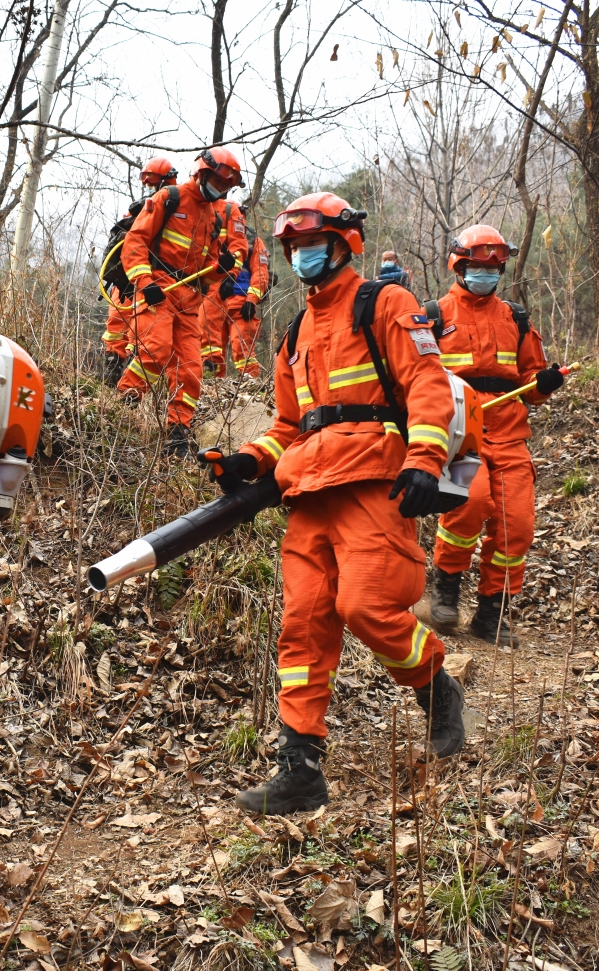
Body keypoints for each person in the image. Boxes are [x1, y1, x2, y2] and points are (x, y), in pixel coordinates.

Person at [199, 192, 468, 816]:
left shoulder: (385, 303)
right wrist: (250, 459)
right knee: (304, 624)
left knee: (368, 606)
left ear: (345, 244)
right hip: (307, 491)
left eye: (312, 245)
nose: (302, 256)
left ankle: (437, 688)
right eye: (293, 248)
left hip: (375, 478)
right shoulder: (293, 334)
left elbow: (427, 385)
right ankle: (300, 765)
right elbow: (290, 422)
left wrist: (425, 460)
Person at [426, 224, 565, 647]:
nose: (486, 273)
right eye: (478, 266)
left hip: (510, 435)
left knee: (517, 526)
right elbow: (416, 378)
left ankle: (493, 612)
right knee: (469, 507)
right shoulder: (433, 315)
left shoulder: (515, 317)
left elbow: (531, 384)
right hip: (460, 433)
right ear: (459, 265)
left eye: (493, 267)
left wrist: (545, 382)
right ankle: (446, 586)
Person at [118, 147, 248, 455]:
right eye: (219, 181)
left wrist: (224, 267)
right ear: (202, 172)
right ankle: (126, 402)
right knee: (157, 348)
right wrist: (144, 281)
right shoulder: (169, 198)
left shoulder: (213, 215)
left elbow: (206, 272)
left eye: (227, 185)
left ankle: (179, 429)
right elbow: (135, 241)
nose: (223, 189)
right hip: (159, 289)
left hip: (190, 301)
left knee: (191, 368)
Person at [100, 158, 179, 382]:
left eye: (152, 182)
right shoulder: (138, 210)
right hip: (127, 276)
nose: (149, 188)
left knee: (143, 329)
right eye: (146, 183)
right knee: (116, 320)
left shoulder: (175, 211)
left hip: (155, 279)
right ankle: (112, 367)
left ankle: (133, 373)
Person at [201, 212, 271, 378]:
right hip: (215, 302)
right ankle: (213, 386)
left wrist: (251, 300)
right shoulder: (212, 235)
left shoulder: (253, 241)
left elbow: (260, 273)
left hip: (241, 305)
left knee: (242, 348)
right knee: (211, 349)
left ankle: (251, 385)